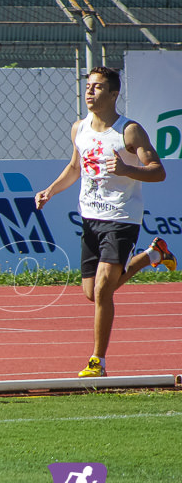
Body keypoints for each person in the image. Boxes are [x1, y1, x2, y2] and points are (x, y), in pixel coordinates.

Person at [35, 66, 174, 378]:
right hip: (90, 218)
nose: (89, 92)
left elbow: (158, 170)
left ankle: (97, 362)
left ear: (113, 94)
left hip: (121, 218)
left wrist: (128, 170)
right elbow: (74, 167)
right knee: (91, 292)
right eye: (88, 86)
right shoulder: (79, 129)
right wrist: (50, 191)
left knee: (102, 290)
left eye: (97, 87)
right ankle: (154, 254)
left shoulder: (129, 131)